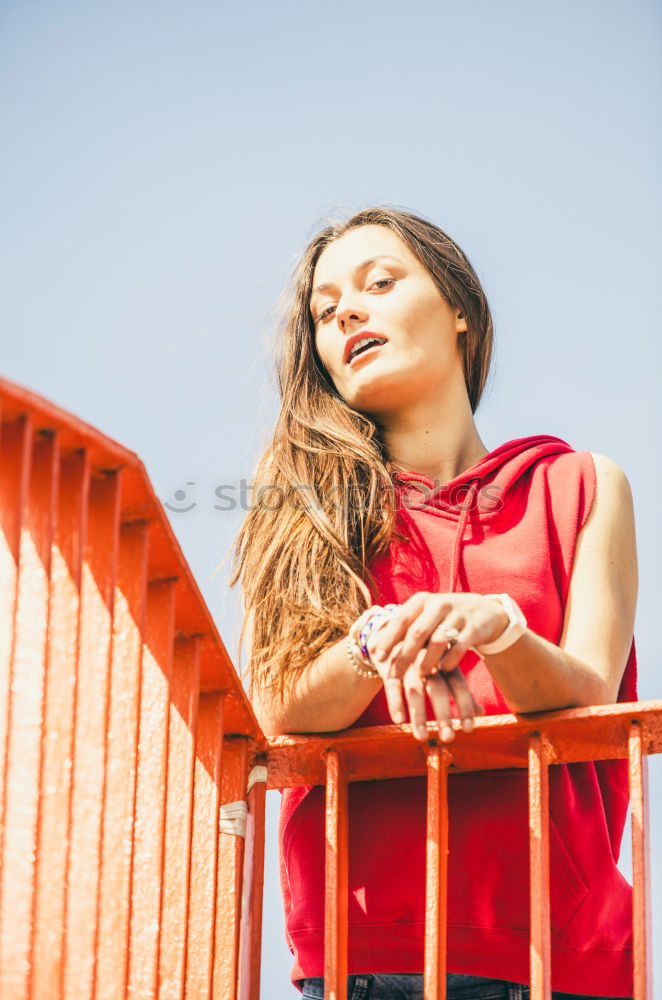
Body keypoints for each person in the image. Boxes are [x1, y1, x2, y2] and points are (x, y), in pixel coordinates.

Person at [229, 207, 638, 1000]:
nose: (346, 310)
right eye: (324, 309)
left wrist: (498, 629)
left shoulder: (585, 485)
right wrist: (373, 641)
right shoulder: (299, 501)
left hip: (566, 953)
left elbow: (591, 693)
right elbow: (278, 706)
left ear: (460, 310)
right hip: (363, 953)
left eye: (379, 283)